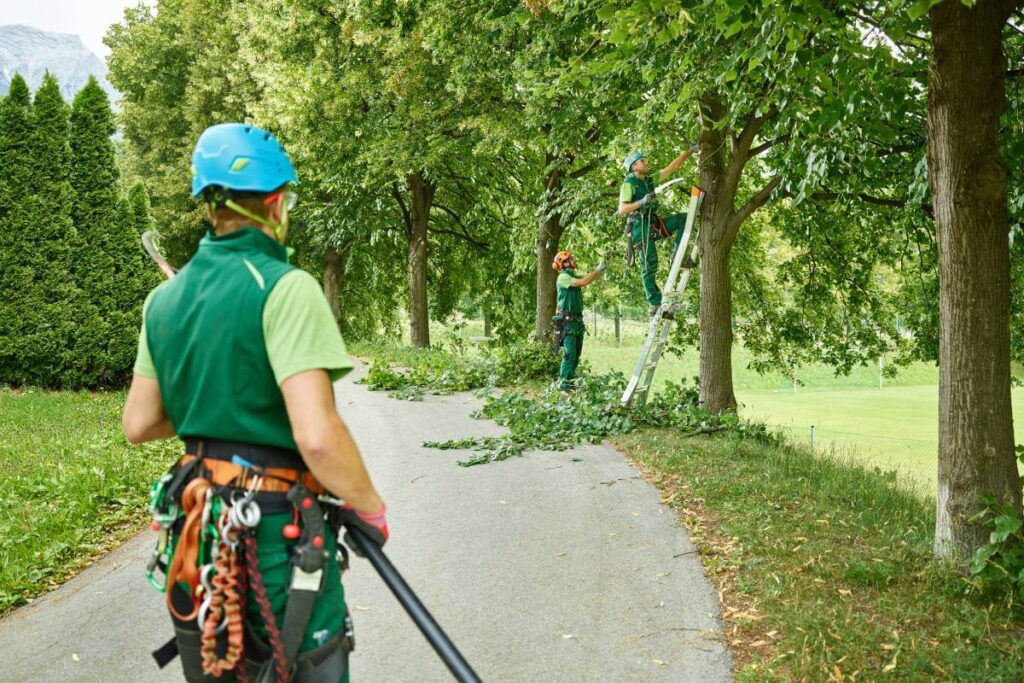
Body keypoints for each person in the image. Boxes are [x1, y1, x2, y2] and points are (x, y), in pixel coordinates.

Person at [122, 122, 387, 683]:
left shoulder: (163, 300)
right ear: (274, 202)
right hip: (273, 538)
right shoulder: (285, 287)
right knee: (310, 666)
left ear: (208, 204)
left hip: (201, 533)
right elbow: (316, 434)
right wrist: (367, 505)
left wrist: (205, 381)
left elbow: (141, 421)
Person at [618, 146, 698, 319]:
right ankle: (655, 304)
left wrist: (689, 151)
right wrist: (642, 201)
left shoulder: (650, 180)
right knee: (649, 265)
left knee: (684, 218)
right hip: (639, 225)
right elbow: (622, 209)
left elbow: (672, 167)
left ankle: (677, 254)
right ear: (634, 167)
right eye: (642, 161)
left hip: (652, 222)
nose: (647, 163)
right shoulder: (628, 184)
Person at [551, 250, 604, 392]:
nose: (574, 259)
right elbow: (585, 281)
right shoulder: (563, 277)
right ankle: (563, 388)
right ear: (564, 263)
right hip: (567, 324)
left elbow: (588, 279)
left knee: (576, 356)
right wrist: (597, 269)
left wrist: (601, 269)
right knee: (569, 356)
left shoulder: (571, 276)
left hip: (577, 322)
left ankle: (570, 386)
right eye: (571, 258)